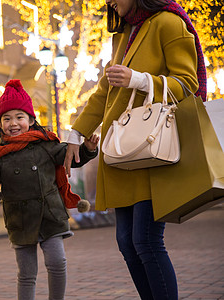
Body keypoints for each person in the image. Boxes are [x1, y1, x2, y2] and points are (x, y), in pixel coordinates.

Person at [63, 0, 206, 299]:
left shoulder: (169, 22)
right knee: (127, 242)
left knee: (146, 240)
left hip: (154, 150)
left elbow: (190, 85)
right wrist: (76, 133)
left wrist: (140, 80)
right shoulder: (123, 32)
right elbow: (105, 90)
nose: (109, 2)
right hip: (124, 151)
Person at [0, 79, 99, 300]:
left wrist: (88, 149)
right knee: (26, 273)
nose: (13, 123)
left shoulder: (46, 143)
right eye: (6, 118)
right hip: (20, 220)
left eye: (19, 117)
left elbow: (71, 157)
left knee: (57, 262)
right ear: (0, 122)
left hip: (49, 215)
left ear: (31, 120)